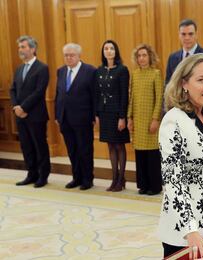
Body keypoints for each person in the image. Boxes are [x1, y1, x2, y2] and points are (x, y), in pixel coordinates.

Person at [158, 53, 203, 259]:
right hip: (185, 231)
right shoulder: (173, 121)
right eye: (201, 80)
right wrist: (190, 230)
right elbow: (173, 180)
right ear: (184, 83)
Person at [10, 35, 51, 188]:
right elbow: (12, 89)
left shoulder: (42, 68)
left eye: (23, 47)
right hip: (20, 115)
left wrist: (24, 108)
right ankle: (31, 174)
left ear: (33, 49)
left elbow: (39, 92)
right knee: (26, 146)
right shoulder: (19, 68)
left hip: (36, 115)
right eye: (19, 47)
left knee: (39, 145)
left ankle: (43, 176)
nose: (20, 50)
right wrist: (16, 107)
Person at [55, 43, 96, 190]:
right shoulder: (60, 71)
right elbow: (58, 94)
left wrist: (94, 116)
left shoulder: (90, 71)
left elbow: (94, 95)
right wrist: (57, 115)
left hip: (83, 118)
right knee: (72, 150)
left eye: (71, 55)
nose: (68, 58)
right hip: (65, 118)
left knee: (84, 149)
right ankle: (76, 177)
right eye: (66, 55)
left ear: (79, 56)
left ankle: (87, 179)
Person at [127, 44, 163, 195]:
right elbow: (132, 97)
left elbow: (159, 98)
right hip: (138, 120)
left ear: (150, 57)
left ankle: (154, 186)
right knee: (140, 154)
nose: (141, 58)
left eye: (144, 55)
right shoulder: (134, 74)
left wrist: (156, 119)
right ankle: (143, 185)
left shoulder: (156, 73)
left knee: (152, 155)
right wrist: (129, 117)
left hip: (150, 120)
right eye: (139, 56)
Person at [95, 40, 130, 192]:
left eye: (111, 48)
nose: (108, 51)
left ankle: (121, 178)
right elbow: (97, 93)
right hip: (104, 112)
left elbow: (124, 95)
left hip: (117, 113)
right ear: (103, 52)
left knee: (119, 145)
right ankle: (114, 178)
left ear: (116, 52)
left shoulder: (122, 70)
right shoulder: (99, 70)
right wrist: (97, 114)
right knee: (110, 145)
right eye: (106, 48)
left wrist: (122, 117)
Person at [165, 19, 203, 85]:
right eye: (183, 34)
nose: (187, 38)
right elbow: (168, 83)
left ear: (196, 35)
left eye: (190, 34)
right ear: (179, 35)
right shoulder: (172, 58)